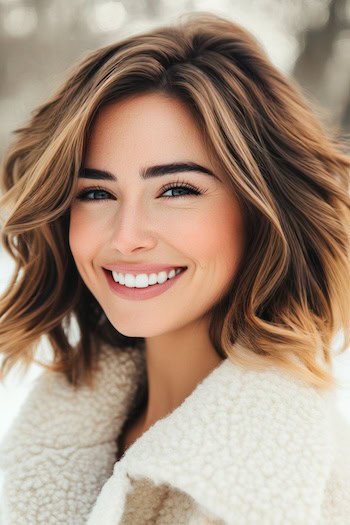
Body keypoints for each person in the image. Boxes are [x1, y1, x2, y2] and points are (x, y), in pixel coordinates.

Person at [0, 11, 349, 525]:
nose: (126, 236)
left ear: (260, 210)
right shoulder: (66, 429)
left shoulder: (283, 484)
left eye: (177, 190)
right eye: (96, 192)